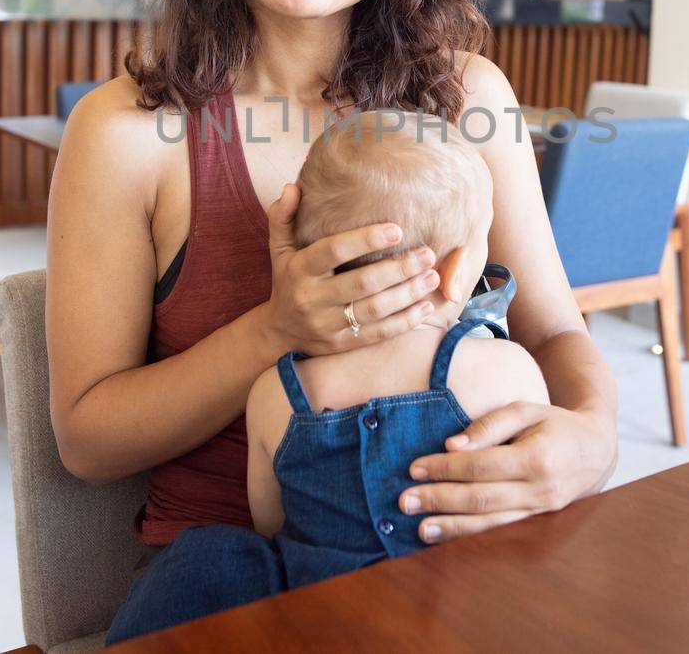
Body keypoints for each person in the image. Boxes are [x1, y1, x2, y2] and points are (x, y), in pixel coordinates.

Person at [45, 0, 618, 633]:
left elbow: (557, 332)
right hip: (227, 584)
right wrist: (275, 325)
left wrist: (591, 436)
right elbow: (87, 438)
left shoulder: (469, 97)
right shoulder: (128, 130)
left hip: (456, 567)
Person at [104, 112, 547, 642]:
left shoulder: (275, 393)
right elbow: (535, 501)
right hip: (464, 618)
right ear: (456, 273)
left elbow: (271, 524)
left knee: (207, 555)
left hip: (316, 623)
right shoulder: (507, 371)